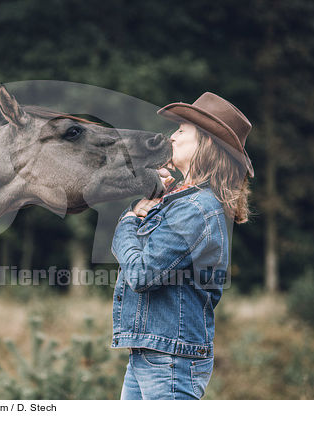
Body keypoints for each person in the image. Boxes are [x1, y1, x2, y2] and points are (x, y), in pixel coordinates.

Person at [111, 92, 254, 400]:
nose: (171, 136)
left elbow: (141, 275)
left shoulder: (196, 208)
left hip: (170, 357)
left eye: (181, 131)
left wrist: (128, 219)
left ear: (206, 144)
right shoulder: (180, 199)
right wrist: (147, 201)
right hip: (153, 350)